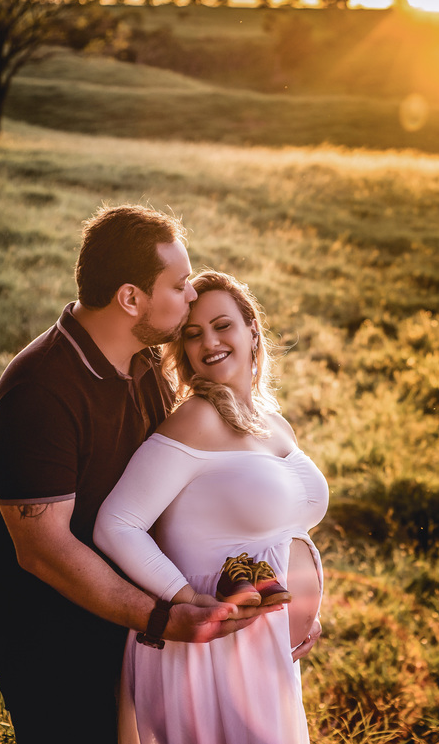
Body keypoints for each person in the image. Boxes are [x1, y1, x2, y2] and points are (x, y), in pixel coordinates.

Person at [0, 205, 277, 744]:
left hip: (128, 617)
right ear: (131, 298)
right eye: (180, 284)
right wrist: (162, 617)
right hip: (53, 634)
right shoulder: (40, 391)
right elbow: (43, 549)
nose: (191, 297)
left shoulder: (142, 366)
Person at [95, 270, 328, 744]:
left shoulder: (274, 423)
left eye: (223, 326)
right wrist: (184, 598)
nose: (210, 342)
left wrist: (303, 612)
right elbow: (116, 525)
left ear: (252, 331)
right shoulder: (194, 420)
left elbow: (280, 531)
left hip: (264, 645)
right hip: (207, 648)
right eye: (193, 334)